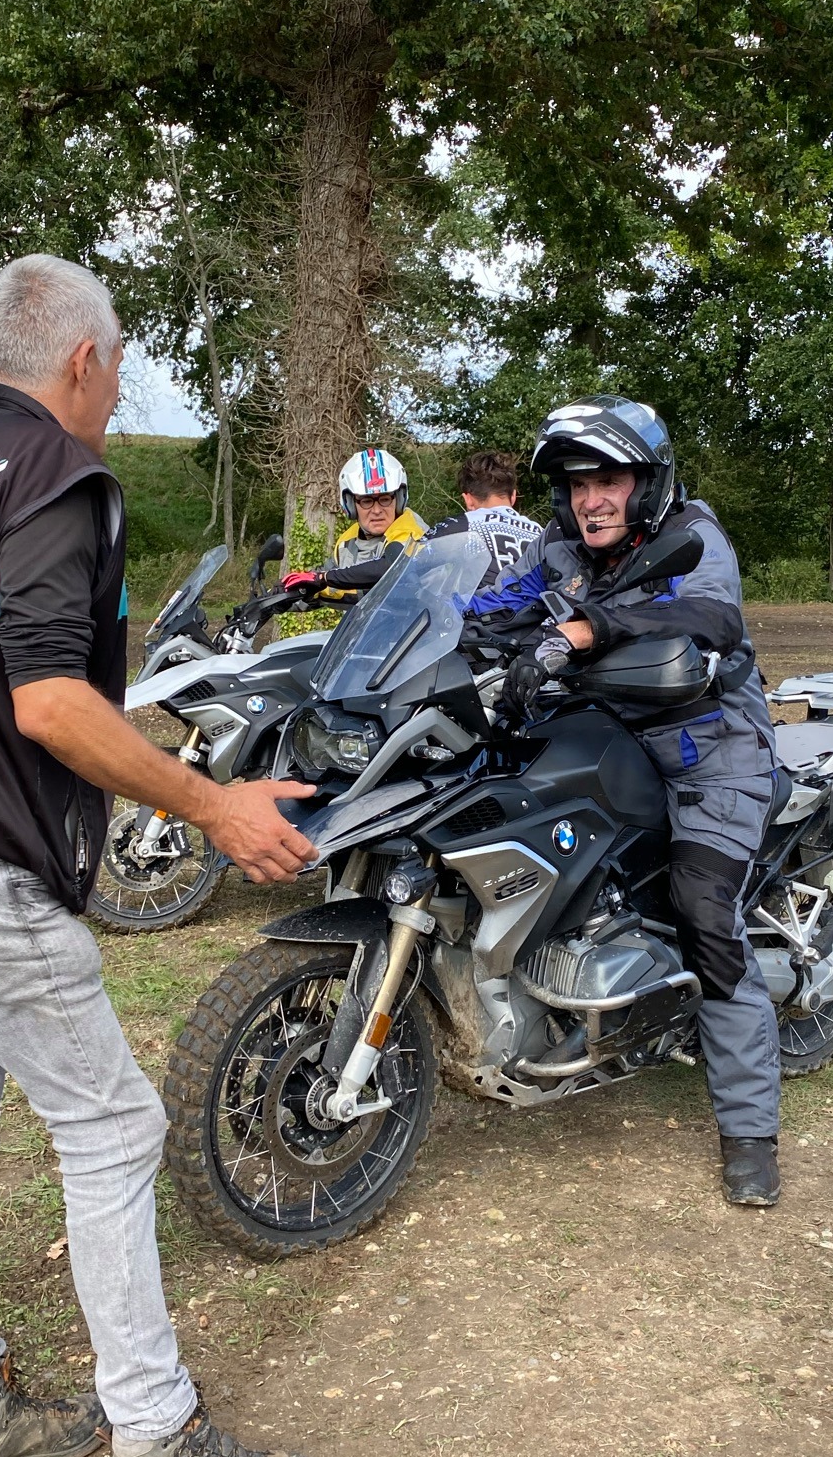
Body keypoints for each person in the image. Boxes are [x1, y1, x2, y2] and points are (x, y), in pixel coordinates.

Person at [0, 253, 321, 1457]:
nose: (115, 397)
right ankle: (154, 1440)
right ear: (84, 361)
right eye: (117, 371)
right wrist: (214, 805)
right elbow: (50, 700)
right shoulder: (53, 471)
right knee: (111, 1129)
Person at [471, 396, 783, 1209]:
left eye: (607, 479)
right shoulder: (561, 548)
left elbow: (707, 613)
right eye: (576, 485)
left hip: (710, 754)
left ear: (647, 481)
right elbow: (495, 605)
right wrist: (444, 625)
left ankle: (750, 1130)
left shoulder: (693, 537)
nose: (589, 500)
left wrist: (582, 631)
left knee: (703, 910)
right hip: (604, 732)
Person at [447, 448, 542, 586]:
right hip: (537, 605)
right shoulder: (541, 532)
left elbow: (413, 560)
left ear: (468, 500)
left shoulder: (466, 524)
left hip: (486, 605)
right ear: (513, 496)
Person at [326, 448, 427, 571]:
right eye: (367, 501)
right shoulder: (347, 541)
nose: (377, 510)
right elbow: (326, 575)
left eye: (385, 500)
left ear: (399, 500)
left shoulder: (414, 537)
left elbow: (386, 577)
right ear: (351, 505)